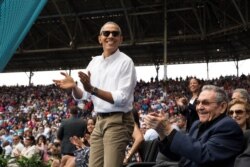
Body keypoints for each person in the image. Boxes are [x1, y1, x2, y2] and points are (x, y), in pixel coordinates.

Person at [53, 21, 136, 167]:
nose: (110, 36)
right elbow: (83, 95)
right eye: (106, 33)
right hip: (99, 121)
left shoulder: (126, 62)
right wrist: (74, 87)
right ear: (100, 38)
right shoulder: (94, 63)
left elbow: (121, 99)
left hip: (118, 121)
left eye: (115, 33)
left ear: (121, 39)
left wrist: (92, 89)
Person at [145, 85, 244, 167]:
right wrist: (161, 132)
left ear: (222, 107)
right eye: (198, 103)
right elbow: (182, 154)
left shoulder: (229, 127)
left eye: (205, 103)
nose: (199, 107)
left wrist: (168, 128)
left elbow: (204, 155)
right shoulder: (197, 124)